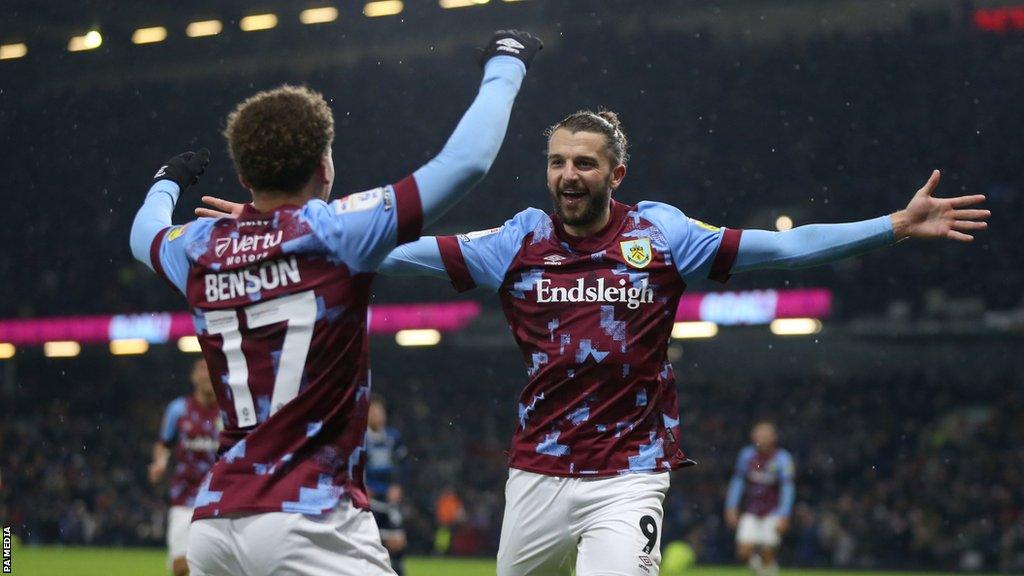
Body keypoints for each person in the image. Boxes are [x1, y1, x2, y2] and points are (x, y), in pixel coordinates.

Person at [199, 109, 989, 575]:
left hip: (630, 473)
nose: (567, 175)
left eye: (583, 163)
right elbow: (390, 250)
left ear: (616, 171)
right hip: (536, 471)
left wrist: (890, 227)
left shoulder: (662, 235)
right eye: (555, 162)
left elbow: (782, 250)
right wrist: (292, 233)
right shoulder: (518, 241)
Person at [129, 30, 542, 576]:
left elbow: (144, 234)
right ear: (324, 166)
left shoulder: (203, 247)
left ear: (247, 176)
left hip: (216, 521)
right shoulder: (341, 231)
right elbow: (465, 162)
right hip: (308, 519)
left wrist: (168, 182)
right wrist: (506, 60)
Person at [149, 358, 220, 576]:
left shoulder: (229, 411)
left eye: (211, 370)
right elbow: (164, 444)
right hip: (184, 497)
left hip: (220, 499)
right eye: (201, 370)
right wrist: (159, 463)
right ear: (193, 377)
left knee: (217, 567)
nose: (206, 374)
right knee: (180, 567)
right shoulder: (178, 409)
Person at [725, 422, 795, 576]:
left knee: (768, 552)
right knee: (743, 553)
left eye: (765, 435)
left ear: (773, 438)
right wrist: (731, 506)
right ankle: (761, 570)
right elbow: (738, 481)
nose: (761, 439)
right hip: (752, 509)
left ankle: (767, 570)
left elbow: (787, 488)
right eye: (758, 435)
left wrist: (784, 514)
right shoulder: (746, 455)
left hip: (773, 511)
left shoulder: (782, 458)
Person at [365, 395, 409, 575]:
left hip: (389, 498)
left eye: (379, 412)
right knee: (369, 542)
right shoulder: (361, 437)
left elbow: (405, 464)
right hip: (368, 499)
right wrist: (361, 486)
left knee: (397, 542)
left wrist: (398, 486)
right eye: (373, 412)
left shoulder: (392, 437)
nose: (377, 416)